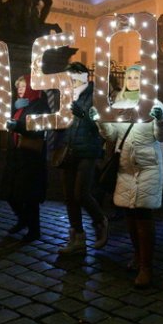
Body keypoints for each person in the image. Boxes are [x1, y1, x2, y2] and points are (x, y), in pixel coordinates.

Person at [90, 64, 163, 288]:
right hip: (125, 167)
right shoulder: (119, 104)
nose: (133, 80)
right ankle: (137, 256)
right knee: (129, 216)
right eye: (130, 77)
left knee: (143, 216)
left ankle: (147, 266)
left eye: (137, 77)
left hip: (147, 166)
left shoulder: (155, 104)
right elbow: (113, 135)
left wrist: (161, 119)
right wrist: (100, 121)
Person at [58, 62, 108, 255]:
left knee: (81, 193)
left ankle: (100, 221)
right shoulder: (66, 95)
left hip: (88, 148)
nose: (72, 81)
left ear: (85, 77)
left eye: (76, 77)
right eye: (70, 77)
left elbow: (101, 125)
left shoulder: (96, 95)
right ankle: (77, 236)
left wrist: (84, 115)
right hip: (69, 149)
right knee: (69, 195)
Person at [1, 75, 49, 243]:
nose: (19, 89)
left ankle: (34, 230)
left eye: (23, 86)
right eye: (18, 86)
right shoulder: (20, 106)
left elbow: (38, 129)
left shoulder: (40, 104)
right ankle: (23, 220)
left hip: (30, 157)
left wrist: (18, 126)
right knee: (10, 193)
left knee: (29, 196)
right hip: (17, 155)